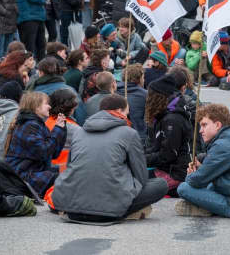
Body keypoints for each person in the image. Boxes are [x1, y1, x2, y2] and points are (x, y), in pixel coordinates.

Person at [50, 94, 168, 223]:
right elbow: (141, 176)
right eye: (127, 113)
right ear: (119, 111)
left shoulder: (80, 132)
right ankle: (122, 210)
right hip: (109, 212)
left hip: (73, 210)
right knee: (160, 184)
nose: (128, 117)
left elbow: (69, 168)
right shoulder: (129, 133)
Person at [5, 91, 66, 197]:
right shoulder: (29, 126)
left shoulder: (36, 124)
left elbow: (53, 153)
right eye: (46, 103)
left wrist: (61, 129)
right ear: (36, 107)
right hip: (22, 177)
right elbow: (44, 152)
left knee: (69, 172)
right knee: (65, 178)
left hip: (33, 171)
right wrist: (57, 130)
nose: (50, 106)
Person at [144, 75, 193, 194]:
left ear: (158, 97)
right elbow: (156, 147)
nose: (147, 99)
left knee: (135, 181)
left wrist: (142, 159)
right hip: (166, 167)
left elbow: (167, 155)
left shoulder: (172, 120)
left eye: (150, 95)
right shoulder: (164, 115)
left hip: (175, 172)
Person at [27, 57, 86, 124]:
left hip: (41, 130)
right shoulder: (70, 90)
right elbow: (80, 116)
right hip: (68, 129)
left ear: (41, 73)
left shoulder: (34, 92)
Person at [45, 88, 81, 174]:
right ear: (71, 107)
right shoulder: (74, 129)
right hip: (64, 170)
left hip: (45, 169)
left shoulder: (44, 121)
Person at [116, 63, 148, 139]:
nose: (144, 80)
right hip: (138, 136)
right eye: (143, 78)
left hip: (117, 134)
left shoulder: (114, 91)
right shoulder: (145, 95)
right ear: (139, 79)